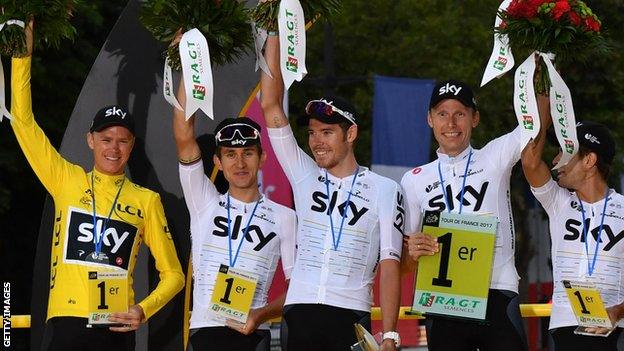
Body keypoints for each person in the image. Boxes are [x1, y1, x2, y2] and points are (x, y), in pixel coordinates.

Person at [9, 21, 184, 350]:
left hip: (117, 327)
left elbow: (174, 274)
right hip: (66, 324)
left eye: (122, 141)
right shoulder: (65, 179)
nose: (114, 149)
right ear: (90, 140)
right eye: (106, 139)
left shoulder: (146, 200)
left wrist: (142, 310)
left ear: (132, 146)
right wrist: (22, 53)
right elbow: (23, 120)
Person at [260, 34, 404, 351]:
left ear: (350, 133)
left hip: (350, 315)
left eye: (327, 132)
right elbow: (270, 102)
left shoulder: (385, 189)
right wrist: (273, 32)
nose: (316, 142)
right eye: (312, 133)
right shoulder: (304, 174)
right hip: (298, 314)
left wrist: (391, 333)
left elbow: (390, 263)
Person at [400, 80, 530, 350]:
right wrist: (413, 248)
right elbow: (405, 259)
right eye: (442, 114)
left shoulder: (493, 156)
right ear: (429, 119)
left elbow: (532, 126)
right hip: (442, 299)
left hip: (496, 288)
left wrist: (541, 72)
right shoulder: (413, 180)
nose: (451, 123)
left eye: (460, 113)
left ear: (475, 118)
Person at [171, 78, 296, 351]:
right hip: (205, 331)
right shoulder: (204, 202)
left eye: (247, 153)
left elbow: (297, 291)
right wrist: (185, 62)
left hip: (254, 333)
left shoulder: (285, 216)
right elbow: (183, 134)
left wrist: (260, 314)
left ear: (262, 157)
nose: (239, 163)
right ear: (217, 161)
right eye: (230, 154)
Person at [521, 96, 624, 350]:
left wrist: (618, 312)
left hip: (612, 331)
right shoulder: (558, 202)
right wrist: (542, 94)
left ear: (589, 161)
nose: (556, 160)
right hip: (564, 328)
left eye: (566, 152)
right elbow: (530, 161)